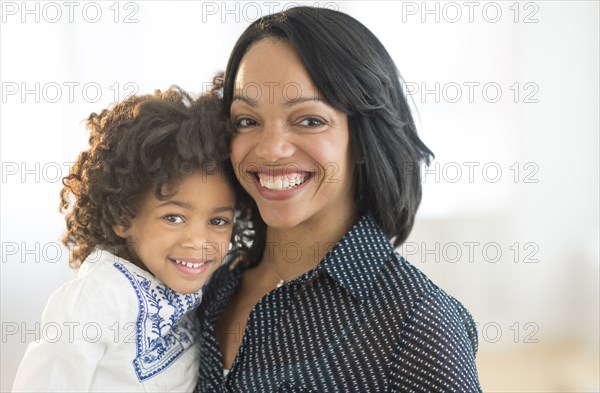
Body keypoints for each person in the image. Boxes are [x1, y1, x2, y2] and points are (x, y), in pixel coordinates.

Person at [194, 6, 483, 393]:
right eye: (247, 121)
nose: (271, 149)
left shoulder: (420, 323)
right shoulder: (205, 286)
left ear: (362, 140)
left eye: (310, 120)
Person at [12, 87, 251, 392]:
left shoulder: (192, 284)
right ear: (122, 217)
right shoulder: (98, 298)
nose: (199, 241)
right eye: (174, 217)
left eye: (218, 221)